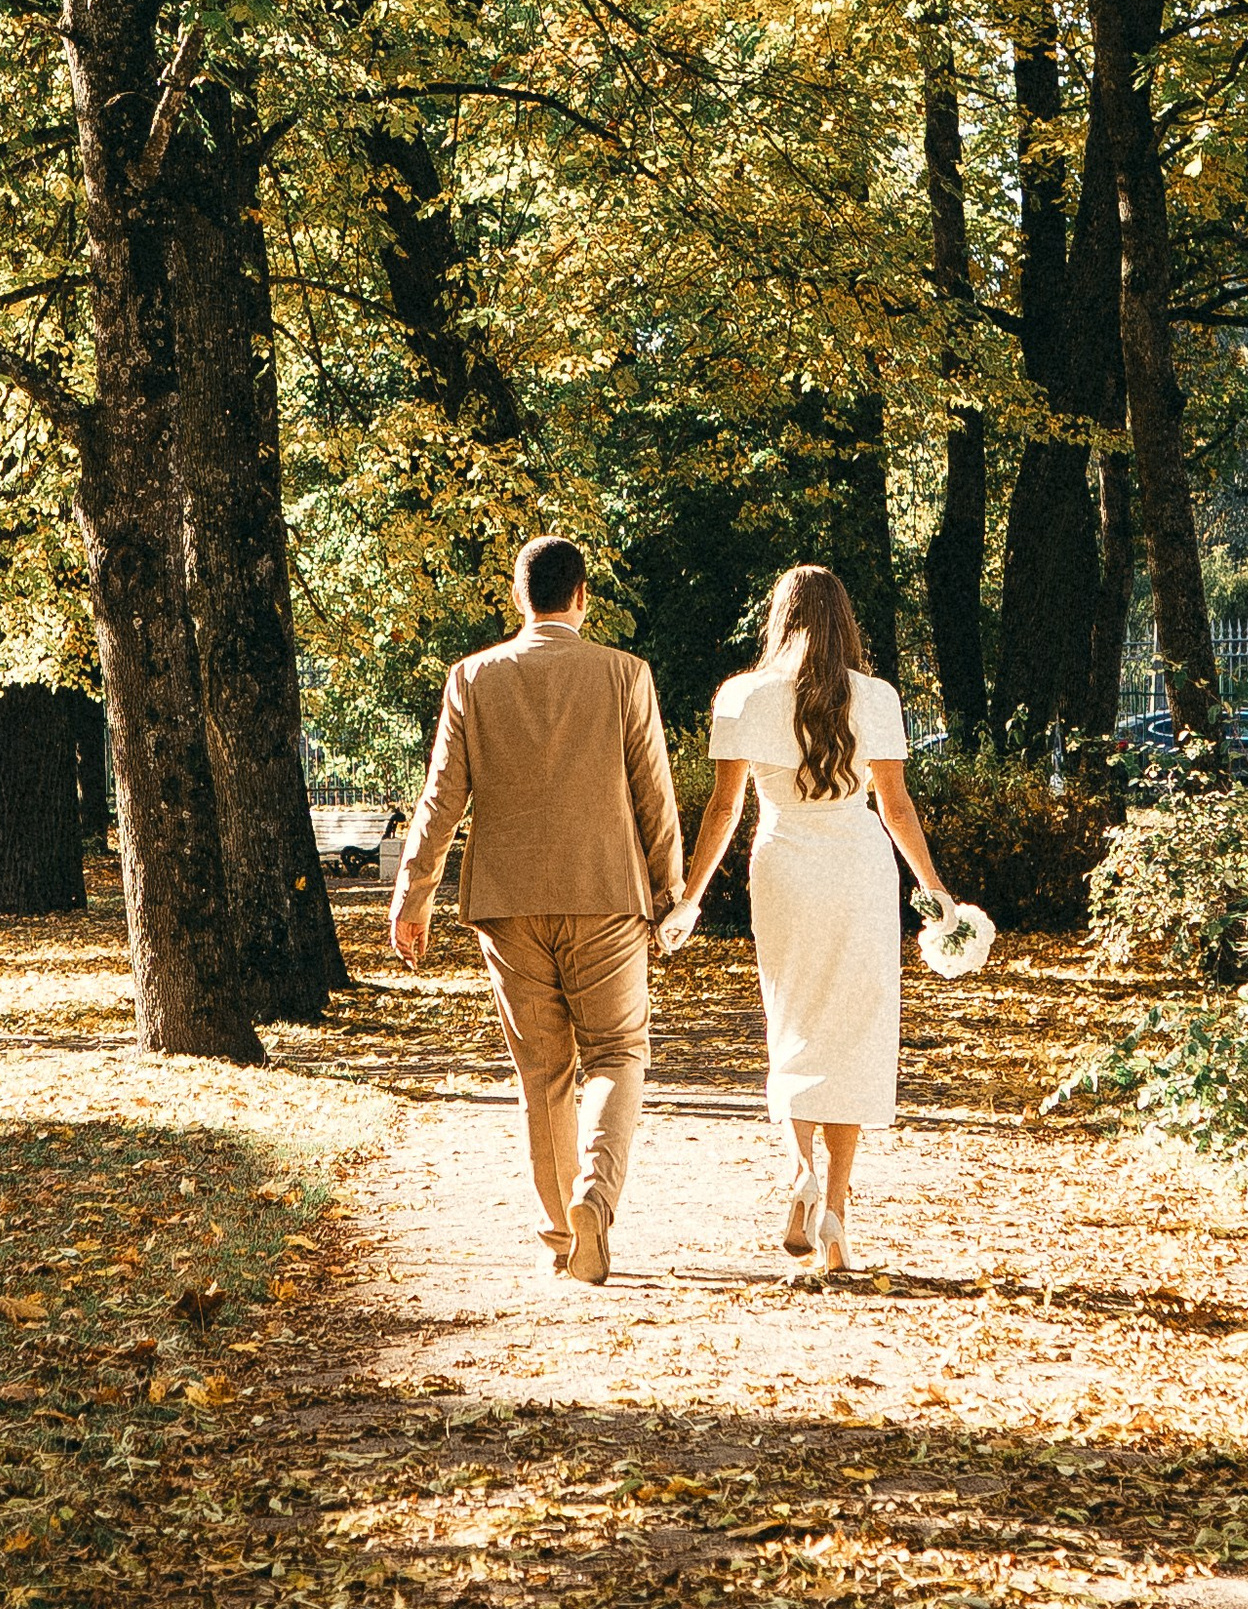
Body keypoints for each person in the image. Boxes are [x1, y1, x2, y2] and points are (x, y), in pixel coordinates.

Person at [389, 535, 683, 1289]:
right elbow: (654, 794)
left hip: (508, 903)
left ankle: (561, 1232)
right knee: (618, 1051)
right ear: (581, 595)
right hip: (607, 895)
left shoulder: (472, 678)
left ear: (519, 597)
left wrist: (413, 894)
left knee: (543, 1071)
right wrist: (670, 892)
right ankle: (597, 1196)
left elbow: (442, 797)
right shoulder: (625, 675)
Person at [666, 563, 954, 1274]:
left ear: (779, 617)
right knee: (855, 1029)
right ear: (844, 620)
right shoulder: (878, 698)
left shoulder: (742, 696)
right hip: (858, 868)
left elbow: (724, 810)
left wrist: (689, 898)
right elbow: (896, 807)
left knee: (791, 1018)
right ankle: (838, 1218)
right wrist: (936, 890)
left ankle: (799, 1170)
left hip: (784, 867)